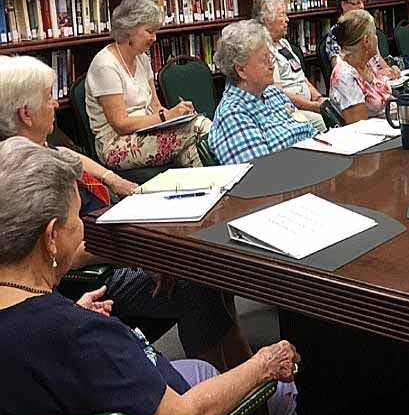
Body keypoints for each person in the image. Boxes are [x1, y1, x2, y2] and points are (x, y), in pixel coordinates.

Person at [0, 138, 299, 415]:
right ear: (51, 236)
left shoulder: (52, 322)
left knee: (204, 371)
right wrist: (263, 364)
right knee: (280, 391)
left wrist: (72, 311)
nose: (82, 227)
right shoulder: (81, 337)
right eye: (76, 218)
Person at [0, 54, 254, 372]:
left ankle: (238, 368)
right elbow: (60, 259)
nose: (55, 105)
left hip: (116, 238)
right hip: (93, 276)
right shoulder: (27, 178)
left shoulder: (39, 149)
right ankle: (224, 378)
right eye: (48, 98)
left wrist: (113, 180)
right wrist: (144, 253)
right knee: (195, 282)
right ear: (26, 113)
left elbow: (70, 157)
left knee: (204, 271)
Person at [85, 0, 211, 170]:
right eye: (149, 31)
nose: (154, 38)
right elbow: (120, 124)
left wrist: (177, 116)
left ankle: (216, 193)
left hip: (148, 132)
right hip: (116, 144)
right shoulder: (105, 65)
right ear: (129, 28)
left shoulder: (142, 59)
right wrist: (165, 117)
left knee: (194, 151)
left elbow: (156, 106)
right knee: (199, 126)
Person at [210, 20, 317, 165]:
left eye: (270, 58)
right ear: (241, 70)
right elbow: (261, 174)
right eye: (264, 60)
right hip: (291, 180)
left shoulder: (274, 94)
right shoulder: (233, 114)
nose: (272, 66)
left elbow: (310, 132)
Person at [253, 0, 326, 132]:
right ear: (267, 20)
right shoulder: (263, 50)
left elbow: (301, 76)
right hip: (288, 108)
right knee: (322, 122)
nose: (287, 19)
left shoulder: (284, 43)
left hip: (309, 103)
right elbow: (277, 93)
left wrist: (318, 97)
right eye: (282, 15)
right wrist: (312, 106)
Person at [322, 0, 400, 78]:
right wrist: (375, 76)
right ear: (344, 5)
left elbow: (380, 63)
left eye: (362, 2)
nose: (362, 6)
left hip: (379, 84)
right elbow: (342, 72)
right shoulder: (336, 34)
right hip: (360, 88)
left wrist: (391, 71)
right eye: (357, 3)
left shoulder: (366, 28)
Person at [329, 9, 394, 124]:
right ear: (366, 41)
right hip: (381, 135)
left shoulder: (369, 62)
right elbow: (361, 127)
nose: (377, 38)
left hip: (395, 123)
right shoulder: (344, 76)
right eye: (374, 33)